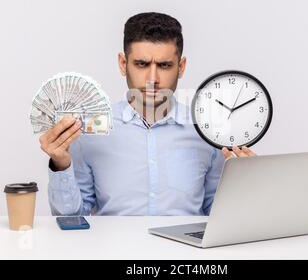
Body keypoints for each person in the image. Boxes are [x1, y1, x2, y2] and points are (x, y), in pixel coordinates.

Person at [39, 12, 255, 216]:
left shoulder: (207, 132)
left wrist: (247, 183)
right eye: (142, 64)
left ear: (181, 67)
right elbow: (72, 221)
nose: (153, 78)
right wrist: (61, 164)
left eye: (164, 65)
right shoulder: (90, 131)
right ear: (123, 64)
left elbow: (216, 216)